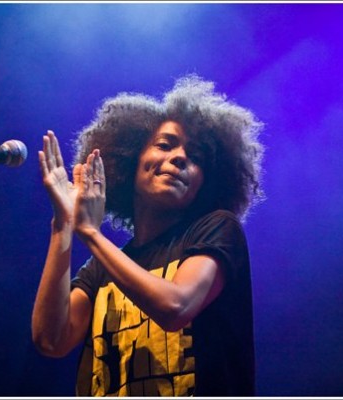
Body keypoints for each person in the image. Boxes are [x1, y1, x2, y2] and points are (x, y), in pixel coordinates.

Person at [31, 74, 264, 396]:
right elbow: (51, 340)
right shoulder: (103, 268)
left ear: (206, 181)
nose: (180, 157)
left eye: (195, 157)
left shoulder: (216, 228)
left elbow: (176, 308)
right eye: (165, 145)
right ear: (130, 160)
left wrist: (89, 232)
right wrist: (64, 227)